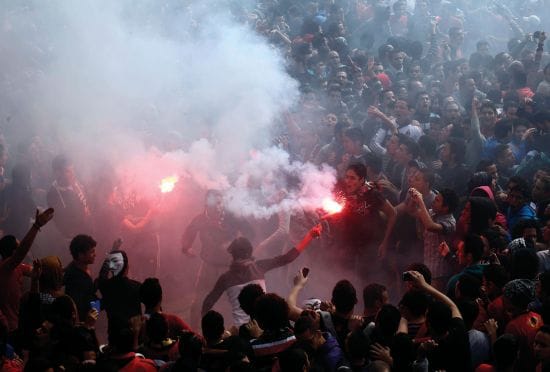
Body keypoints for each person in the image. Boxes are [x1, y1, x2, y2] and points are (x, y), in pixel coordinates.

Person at [201, 224, 322, 326]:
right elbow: (287, 258)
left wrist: (206, 329)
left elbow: (208, 302)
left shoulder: (225, 278)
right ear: (249, 252)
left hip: (244, 330)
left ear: (232, 255)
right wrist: (309, 236)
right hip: (267, 325)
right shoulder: (258, 267)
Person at [181, 189, 254, 328]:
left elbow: (250, 233)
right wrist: (187, 248)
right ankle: (193, 333)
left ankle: (243, 332)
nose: (220, 207)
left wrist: (237, 242)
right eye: (216, 204)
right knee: (199, 302)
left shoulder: (232, 217)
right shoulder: (200, 219)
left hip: (230, 267)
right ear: (207, 204)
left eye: (221, 203)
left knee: (237, 301)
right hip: (208, 267)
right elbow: (188, 234)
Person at [0, 208, 54, 337]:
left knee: (51, 300)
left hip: (20, 323)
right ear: (14, 253)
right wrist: (36, 226)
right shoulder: (4, 269)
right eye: (19, 248)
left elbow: (34, 272)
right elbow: (22, 251)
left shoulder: (19, 267)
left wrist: (38, 275)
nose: (26, 252)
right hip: (8, 330)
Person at [410, 187, 459, 290]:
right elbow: (412, 212)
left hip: (440, 273)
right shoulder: (433, 213)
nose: (433, 201)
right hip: (427, 268)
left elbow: (430, 226)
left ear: (446, 207)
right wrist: (413, 198)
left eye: (437, 200)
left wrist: (420, 201)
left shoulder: (450, 223)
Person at [96, 246, 141, 334]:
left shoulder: (105, 286)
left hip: (114, 337)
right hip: (135, 337)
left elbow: (102, 274)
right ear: (127, 267)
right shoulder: (137, 287)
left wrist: (112, 252)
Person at [46, 155, 91, 239]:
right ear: (57, 173)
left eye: (72, 170)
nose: (72, 174)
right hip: (76, 237)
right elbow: (61, 222)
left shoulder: (78, 183)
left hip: (89, 229)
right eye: (68, 171)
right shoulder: (53, 195)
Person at [63, 234, 98, 323]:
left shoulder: (79, 266)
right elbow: (84, 305)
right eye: (92, 252)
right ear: (81, 255)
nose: (95, 255)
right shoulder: (76, 278)